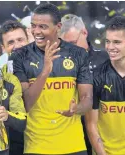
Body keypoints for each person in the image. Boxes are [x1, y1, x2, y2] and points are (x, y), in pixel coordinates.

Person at [10, 3, 93, 155]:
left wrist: (77, 109)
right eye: (33, 26)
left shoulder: (79, 54)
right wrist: (45, 71)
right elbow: (25, 104)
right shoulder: (20, 56)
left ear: (58, 26)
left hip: (74, 146)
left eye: (43, 27)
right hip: (37, 147)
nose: (36, 31)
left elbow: (87, 99)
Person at [85, 16, 125, 155]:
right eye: (108, 41)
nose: (110, 47)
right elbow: (91, 124)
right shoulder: (96, 76)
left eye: (116, 42)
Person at [59, 14, 109, 155]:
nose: (69, 49)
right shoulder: (58, 64)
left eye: (73, 43)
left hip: (107, 131)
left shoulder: (106, 59)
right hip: (72, 135)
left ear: (84, 32)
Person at [0, 20, 29, 155]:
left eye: (20, 40)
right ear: (3, 48)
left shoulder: (45, 66)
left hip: (44, 137)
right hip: (15, 140)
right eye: (10, 42)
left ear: (28, 40)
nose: (17, 46)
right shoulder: (0, 75)